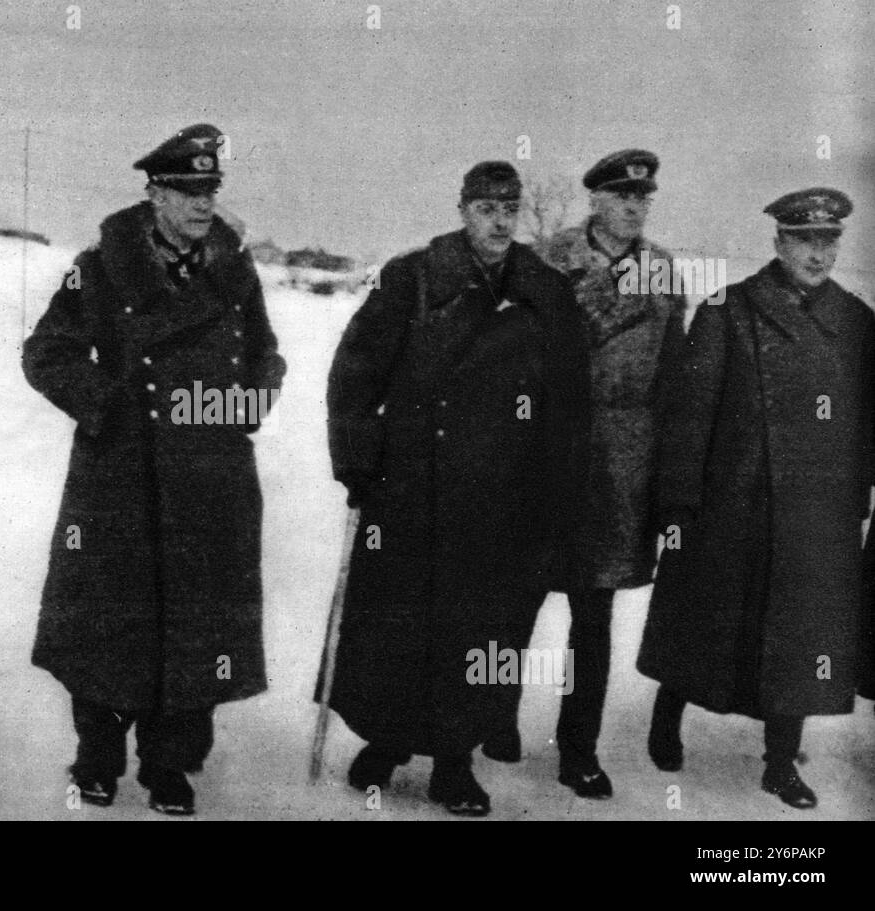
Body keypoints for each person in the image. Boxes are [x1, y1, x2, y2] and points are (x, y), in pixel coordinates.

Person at [22, 123, 285, 816]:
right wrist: (106, 405)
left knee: (197, 626)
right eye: (187, 191)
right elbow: (46, 351)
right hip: (122, 478)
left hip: (212, 475)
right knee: (109, 623)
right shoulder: (101, 266)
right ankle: (98, 760)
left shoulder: (235, 268)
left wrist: (243, 404)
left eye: (211, 190)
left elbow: (266, 356)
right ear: (154, 193)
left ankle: (171, 766)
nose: (203, 204)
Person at [324, 161, 590, 816]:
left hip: (504, 497)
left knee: (483, 633)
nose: (499, 220)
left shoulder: (546, 292)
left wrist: (557, 495)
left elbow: (568, 404)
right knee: (399, 624)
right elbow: (355, 374)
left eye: (509, 207)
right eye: (485, 207)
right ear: (463, 210)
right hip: (413, 489)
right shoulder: (412, 278)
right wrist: (358, 462)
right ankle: (386, 742)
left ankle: (454, 761)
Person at [638, 188, 873, 809]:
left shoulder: (856, 321)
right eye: (804, 240)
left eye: (828, 242)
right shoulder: (728, 310)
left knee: (798, 639)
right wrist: (679, 503)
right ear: (778, 243)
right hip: (731, 504)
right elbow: (691, 415)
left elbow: (865, 422)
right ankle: (668, 716)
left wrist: (859, 496)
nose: (817, 254)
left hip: (814, 514)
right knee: (702, 624)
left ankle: (779, 762)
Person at [530, 150, 686, 798]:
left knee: (592, 617)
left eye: (642, 198)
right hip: (545, 452)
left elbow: (674, 374)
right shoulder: (546, 259)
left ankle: (578, 748)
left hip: (622, 461)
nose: (632, 207)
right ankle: (490, 720)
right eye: (621, 196)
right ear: (594, 200)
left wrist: (666, 473)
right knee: (514, 600)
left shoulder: (664, 273)